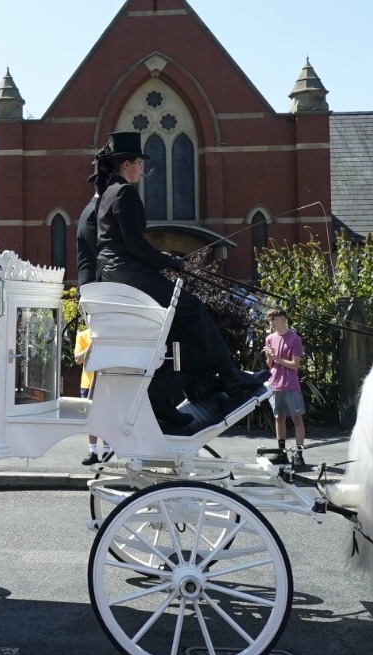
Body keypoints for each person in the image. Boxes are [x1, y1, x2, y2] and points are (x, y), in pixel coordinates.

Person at [93, 130, 267, 432]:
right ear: (127, 164)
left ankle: (198, 386)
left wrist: (160, 257)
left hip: (117, 271)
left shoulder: (109, 192)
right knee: (192, 308)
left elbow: (127, 242)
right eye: (139, 163)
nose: (142, 169)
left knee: (173, 328)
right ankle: (230, 378)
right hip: (128, 271)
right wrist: (170, 261)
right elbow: (134, 245)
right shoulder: (124, 193)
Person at [262, 308, 306, 464]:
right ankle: (281, 453)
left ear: (283, 319)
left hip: (290, 385)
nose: (271, 323)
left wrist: (276, 357)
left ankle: (299, 455)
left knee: (297, 420)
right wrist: (269, 357)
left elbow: (295, 365)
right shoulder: (269, 339)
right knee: (279, 418)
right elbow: (270, 365)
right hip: (275, 384)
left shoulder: (294, 339)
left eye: (273, 319)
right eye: (270, 320)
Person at [74, 318, 111, 465]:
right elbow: (77, 359)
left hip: (107, 383)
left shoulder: (108, 336)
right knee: (91, 419)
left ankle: (107, 450)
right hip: (88, 383)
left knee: (107, 418)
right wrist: (90, 346)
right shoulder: (83, 335)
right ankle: (93, 451)